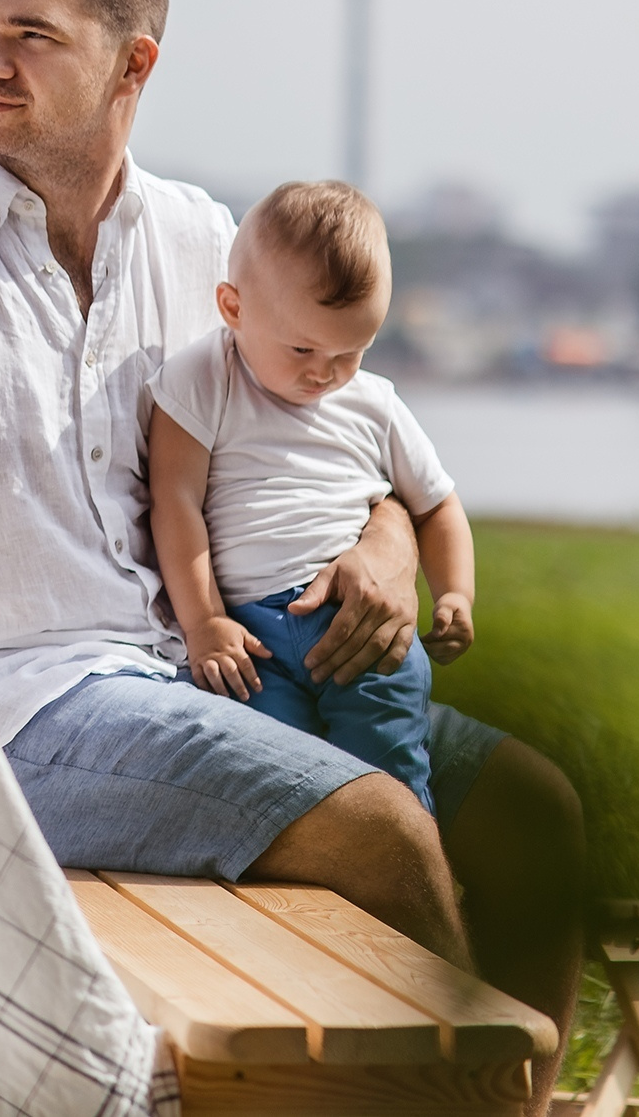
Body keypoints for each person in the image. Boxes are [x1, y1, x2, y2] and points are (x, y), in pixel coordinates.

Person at [0, 0, 582, 1111]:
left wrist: (390, 539)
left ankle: (519, 1095)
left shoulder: (206, 245)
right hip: (13, 710)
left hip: (204, 671)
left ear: (133, 61)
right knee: (382, 826)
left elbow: (339, 425)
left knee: (532, 812)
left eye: (32, 36)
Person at [147, 180, 475, 815]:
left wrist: (456, 591)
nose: (324, 372)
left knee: (387, 777)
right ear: (233, 307)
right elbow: (176, 504)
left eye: (351, 352)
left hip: (360, 626)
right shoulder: (202, 379)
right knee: (272, 784)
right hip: (252, 639)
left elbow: (438, 505)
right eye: (302, 348)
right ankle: (293, 904)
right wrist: (204, 621)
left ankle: (393, 887)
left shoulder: (374, 404)